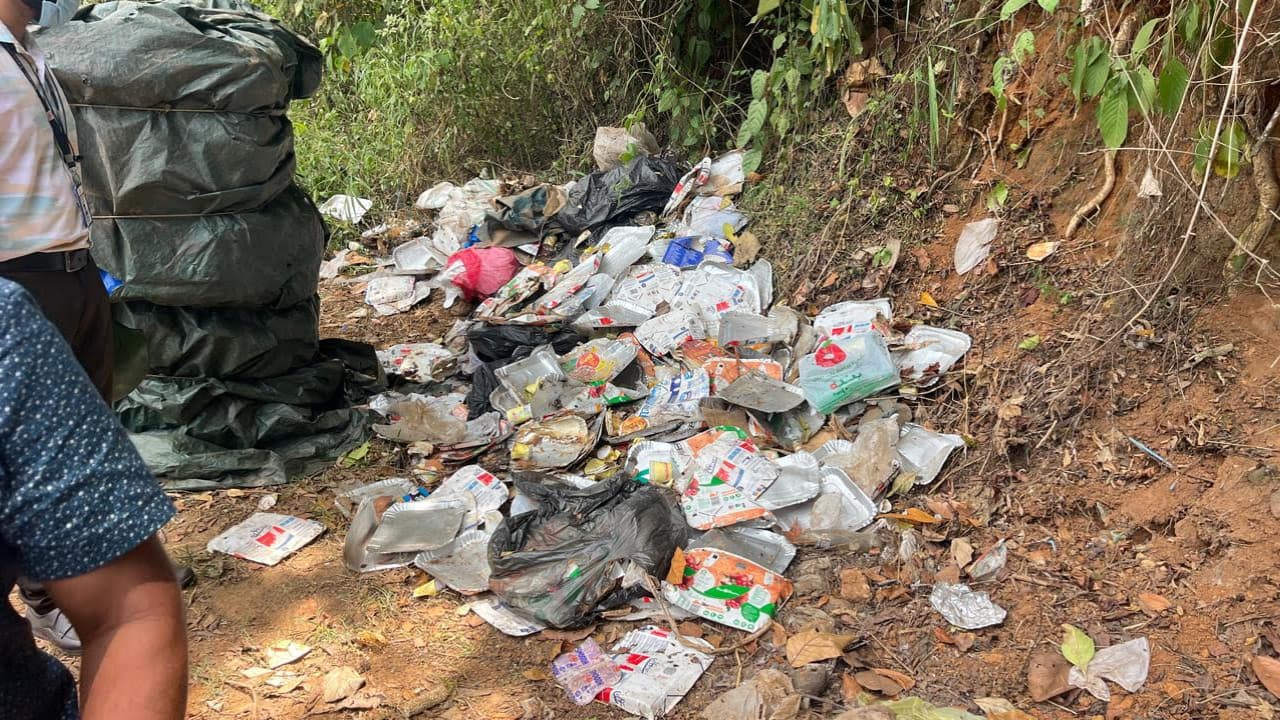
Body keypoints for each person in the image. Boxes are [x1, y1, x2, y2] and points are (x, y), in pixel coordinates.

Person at [1, 0, 195, 651]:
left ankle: (107, 573)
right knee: (37, 453)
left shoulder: (29, 56)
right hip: (15, 278)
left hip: (72, 267)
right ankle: (45, 597)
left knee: (90, 429)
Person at [0, 279, 188, 720]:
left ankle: (77, 554)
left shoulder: (7, 330)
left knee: (90, 404)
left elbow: (128, 609)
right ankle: (45, 595)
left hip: (69, 267)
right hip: (38, 267)